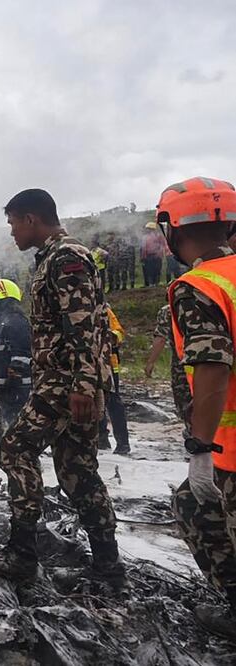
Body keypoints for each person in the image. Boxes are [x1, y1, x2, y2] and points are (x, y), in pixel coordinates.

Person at [0, 188, 124, 589]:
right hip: (68, 380)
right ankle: (108, 565)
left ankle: (22, 553)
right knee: (77, 471)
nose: (11, 232)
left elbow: (83, 324)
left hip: (65, 381)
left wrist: (82, 384)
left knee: (15, 448)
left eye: (13, 223)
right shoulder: (54, 257)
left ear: (31, 219)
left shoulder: (65, 257)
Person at [157, 176, 236, 638]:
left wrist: (200, 447)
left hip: (229, 447)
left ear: (172, 229)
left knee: (197, 505)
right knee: (190, 504)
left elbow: (211, 364)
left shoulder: (198, 285)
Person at [0, 279, 32, 447]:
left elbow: (22, 352)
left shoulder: (16, 322)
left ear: (4, 300)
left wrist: (14, 376)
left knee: (14, 411)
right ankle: (1, 435)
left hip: (14, 380)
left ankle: (15, 440)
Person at [99, 305, 131, 455]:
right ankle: (101, 440)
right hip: (87, 364)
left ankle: (123, 443)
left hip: (108, 363)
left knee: (113, 402)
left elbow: (118, 332)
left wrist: (109, 337)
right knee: (94, 400)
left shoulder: (104, 309)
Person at [142, 222, 165, 287]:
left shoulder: (158, 236)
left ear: (151, 229)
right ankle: (151, 283)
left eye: (148, 228)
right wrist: (144, 257)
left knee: (157, 269)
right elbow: (144, 248)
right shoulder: (145, 237)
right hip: (149, 256)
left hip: (157, 255)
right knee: (150, 270)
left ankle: (156, 283)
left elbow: (162, 245)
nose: (147, 230)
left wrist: (160, 253)